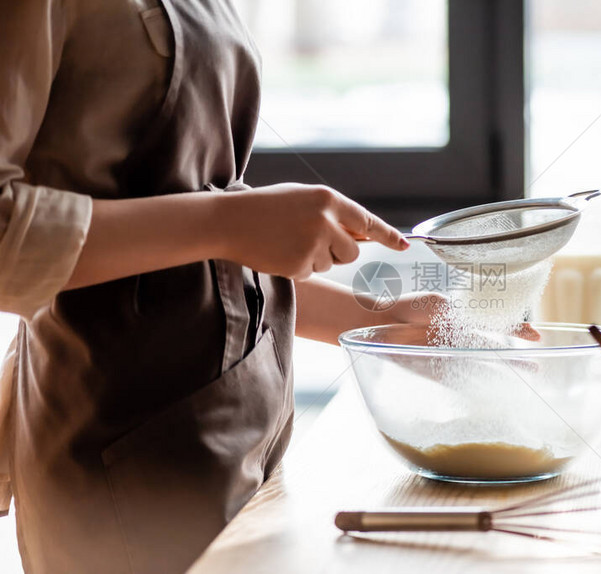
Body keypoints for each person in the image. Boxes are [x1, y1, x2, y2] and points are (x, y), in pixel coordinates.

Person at [0, 1, 431, 572]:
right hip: (121, 458)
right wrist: (228, 221)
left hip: (236, 435)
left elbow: (193, 243)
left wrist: (382, 321)